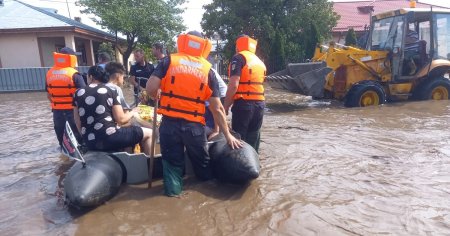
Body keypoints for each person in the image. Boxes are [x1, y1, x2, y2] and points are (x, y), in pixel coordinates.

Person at [146, 31, 243, 197]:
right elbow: (217, 108)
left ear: (183, 42)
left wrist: (158, 94)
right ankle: (207, 194)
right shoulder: (208, 71)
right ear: (203, 47)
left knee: (172, 164)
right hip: (194, 127)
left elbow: (150, 88)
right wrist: (228, 135)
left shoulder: (168, 61)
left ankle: (173, 194)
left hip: (169, 124)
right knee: (202, 163)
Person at [73, 66, 154, 154]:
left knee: (126, 134)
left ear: (90, 77)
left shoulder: (77, 93)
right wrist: (133, 111)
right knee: (150, 133)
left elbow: (77, 122)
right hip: (110, 137)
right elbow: (121, 119)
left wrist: (86, 138)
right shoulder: (111, 91)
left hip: (89, 141)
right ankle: (149, 165)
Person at [223, 35, 266, 153]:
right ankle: (254, 165)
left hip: (244, 105)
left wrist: (225, 107)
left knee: (239, 140)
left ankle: (239, 166)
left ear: (238, 46)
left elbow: (233, 85)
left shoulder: (239, 58)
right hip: (260, 105)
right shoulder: (259, 61)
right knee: (254, 139)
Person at [46, 47, 86, 150]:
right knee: (77, 136)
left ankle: (64, 156)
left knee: (61, 137)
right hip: (73, 111)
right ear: (72, 58)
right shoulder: (74, 74)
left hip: (57, 112)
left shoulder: (49, 73)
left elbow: (49, 95)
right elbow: (83, 94)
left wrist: (58, 103)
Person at [204, 68, 227, 138]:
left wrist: (216, 131)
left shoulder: (206, 73)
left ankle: (216, 129)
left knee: (215, 109)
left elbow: (216, 109)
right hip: (214, 93)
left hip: (220, 93)